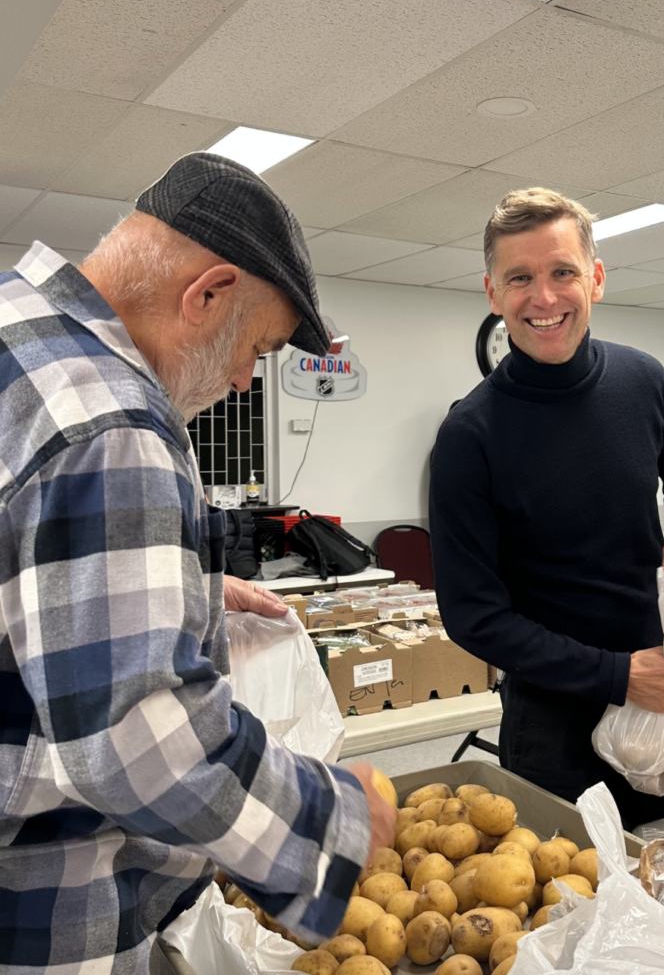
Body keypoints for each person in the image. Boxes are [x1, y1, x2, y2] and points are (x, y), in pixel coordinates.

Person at [0, 153, 395, 973]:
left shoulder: (16, 337)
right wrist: (336, 822)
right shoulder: (112, 424)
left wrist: (186, 588)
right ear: (207, 293)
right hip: (54, 914)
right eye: (259, 346)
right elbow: (142, 747)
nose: (248, 379)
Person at [429, 189, 664, 831]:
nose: (545, 297)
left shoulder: (643, 381)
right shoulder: (470, 435)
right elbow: (473, 617)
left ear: (596, 277)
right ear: (491, 292)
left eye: (563, 272)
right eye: (520, 278)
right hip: (553, 729)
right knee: (567, 914)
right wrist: (618, 676)